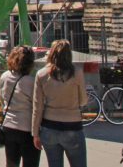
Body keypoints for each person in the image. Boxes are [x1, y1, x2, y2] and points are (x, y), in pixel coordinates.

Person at [31, 39, 87, 167]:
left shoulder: (41, 74)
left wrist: (35, 134)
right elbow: (83, 101)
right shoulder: (77, 73)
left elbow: (37, 107)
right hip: (72, 125)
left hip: (49, 126)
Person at [0, 46, 40, 167]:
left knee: (11, 163)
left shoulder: (4, 77)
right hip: (27, 128)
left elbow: (2, 99)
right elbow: (37, 107)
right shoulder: (31, 82)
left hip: (9, 126)